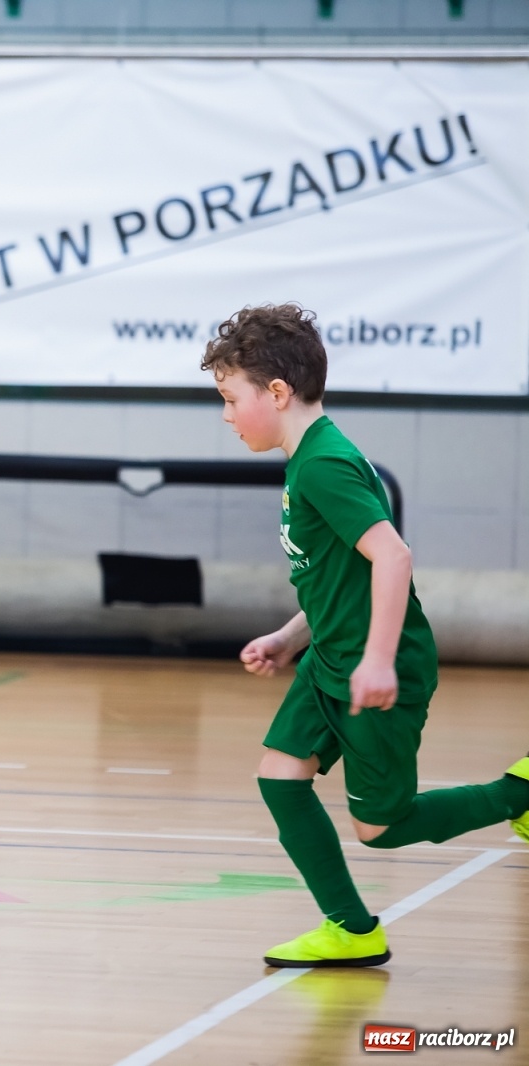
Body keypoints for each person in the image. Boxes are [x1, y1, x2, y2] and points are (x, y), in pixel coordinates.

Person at [204, 303, 529, 968]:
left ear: (277, 392)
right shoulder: (307, 460)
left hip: (376, 669)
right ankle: (352, 929)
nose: (226, 416)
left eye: (230, 398)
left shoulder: (325, 465)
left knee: (381, 827)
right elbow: (336, 579)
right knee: (280, 779)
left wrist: (379, 661)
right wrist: (292, 635)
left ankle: (519, 794)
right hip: (330, 658)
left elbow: (393, 557)